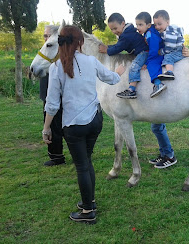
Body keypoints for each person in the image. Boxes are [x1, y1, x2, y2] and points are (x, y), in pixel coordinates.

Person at [42, 25, 125, 224]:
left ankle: (88, 211)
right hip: (95, 120)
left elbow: (52, 103)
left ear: (61, 42)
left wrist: (46, 128)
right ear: (80, 42)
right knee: (86, 161)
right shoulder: (91, 61)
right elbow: (111, 78)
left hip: (74, 124)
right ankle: (91, 201)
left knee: (82, 165)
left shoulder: (56, 68)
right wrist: (119, 72)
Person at [99, 13, 148, 99]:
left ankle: (132, 89)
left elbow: (118, 48)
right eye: (111, 29)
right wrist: (109, 47)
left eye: (115, 28)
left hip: (143, 52)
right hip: (141, 52)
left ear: (122, 23)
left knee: (134, 67)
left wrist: (106, 50)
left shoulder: (126, 35)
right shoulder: (127, 33)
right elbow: (118, 45)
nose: (114, 31)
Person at [40, 25, 66, 166]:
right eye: (45, 35)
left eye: (48, 35)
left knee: (64, 126)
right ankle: (56, 156)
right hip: (48, 92)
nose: (46, 38)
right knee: (53, 126)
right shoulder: (46, 49)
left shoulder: (60, 50)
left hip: (62, 94)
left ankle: (79, 154)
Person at [153, 10, 185, 80]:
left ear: (167, 22)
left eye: (159, 24)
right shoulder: (169, 30)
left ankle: (169, 72)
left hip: (176, 50)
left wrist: (161, 51)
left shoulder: (168, 32)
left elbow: (170, 47)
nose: (157, 27)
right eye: (155, 25)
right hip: (177, 49)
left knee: (168, 57)